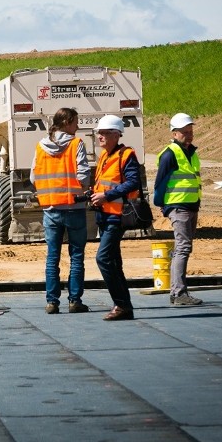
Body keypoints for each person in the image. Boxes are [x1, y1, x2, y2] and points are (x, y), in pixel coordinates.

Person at [30, 108, 91, 315]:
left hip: (50, 209)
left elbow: (33, 177)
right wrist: (86, 189)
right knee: (76, 256)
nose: (78, 126)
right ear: (66, 122)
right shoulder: (76, 144)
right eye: (75, 122)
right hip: (74, 208)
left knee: (52, 257)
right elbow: (82, 174)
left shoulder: (40, 146)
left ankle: (52, 302)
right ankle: (75, 301)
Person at [89, 115, 138, 321]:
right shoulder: (104, 156)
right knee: (115, 262)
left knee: (103, 258)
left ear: (117, 134)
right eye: (99, 133)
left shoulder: (126, 155)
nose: (100, 136)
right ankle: (124, 305)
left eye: (105, 133)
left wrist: (106, 196)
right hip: (105, 215)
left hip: (117, 217)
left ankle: (121, 304)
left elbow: (133, 182)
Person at [153, 112, 203, 306]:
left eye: (190, 131)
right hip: (178, 206)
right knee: (182, 247)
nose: (189, 135)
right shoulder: (169, 154)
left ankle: (178, 291)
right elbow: (160, 184)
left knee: (184, 248)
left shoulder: (191, 152)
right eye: (184, 132)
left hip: (191, 205)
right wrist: (162, 205)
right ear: (174, 133)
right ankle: (178, 293)